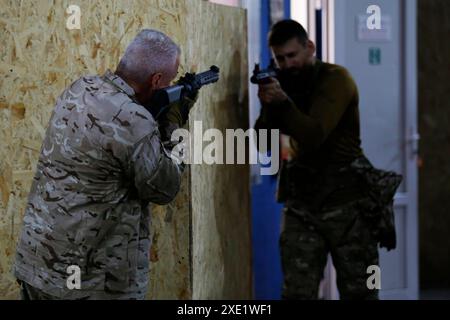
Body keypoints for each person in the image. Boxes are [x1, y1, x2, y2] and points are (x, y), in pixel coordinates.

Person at [13, 29, 196, 300]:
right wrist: (174, 119)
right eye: (169, 81)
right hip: (90, 285)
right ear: (156, 80)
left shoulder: (79, 88)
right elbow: (164, 187)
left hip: (37, 269)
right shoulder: (135, 121)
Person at [255, 20, 401, 300]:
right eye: (280, 58)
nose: (287, 64)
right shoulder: (285, 82)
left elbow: (314, 134)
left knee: (362, 292)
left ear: (310, 47)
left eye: (292, 55)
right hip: (302, 206)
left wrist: (283, 103)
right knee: (296, 293)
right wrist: (268, 106)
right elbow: (264, 143)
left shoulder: (336, 79)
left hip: (349, 206)